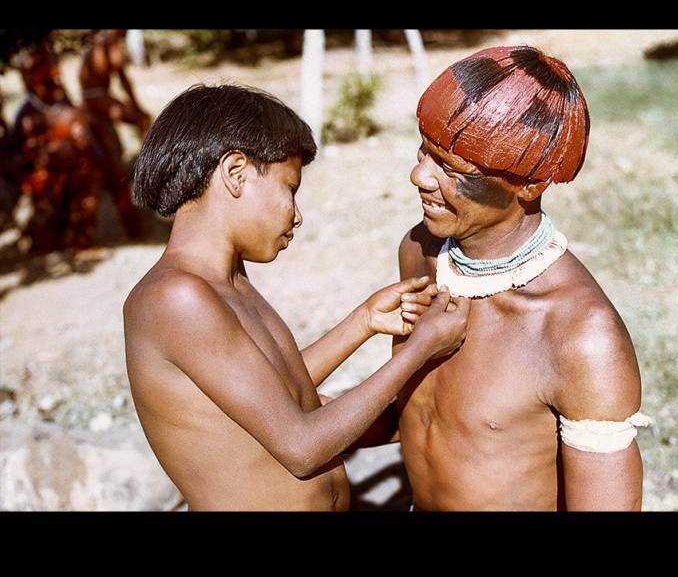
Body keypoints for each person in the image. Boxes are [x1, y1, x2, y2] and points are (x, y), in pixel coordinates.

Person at [123, 84, 470, 511]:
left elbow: (280, 392)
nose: (297, 214)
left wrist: (363, 323)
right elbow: (302, 448)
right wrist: (416, 352)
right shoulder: (175, 298)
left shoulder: (229, 282)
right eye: (290, 188)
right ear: (235, 173)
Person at [376, 45, 649, 511]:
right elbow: (427, 416)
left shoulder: (581, 337)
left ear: (530, 183)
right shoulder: (420, 252)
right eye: (424, 150)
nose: (418, 175)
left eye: (452, 169)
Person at [13, 45, 104, 251]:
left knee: (90, 186)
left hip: (75, 179)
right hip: (44, 188)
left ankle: (81, 238)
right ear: (33, 82)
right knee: (44, 244)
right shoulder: (26, 116)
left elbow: (91, 150)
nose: (55, 83)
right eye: (47, 79)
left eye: (56, 77)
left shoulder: (68, 109)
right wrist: (28, 179)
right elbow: (14, 158)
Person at [79, 29, 149, 239]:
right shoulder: (107, 42)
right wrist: (136, 108)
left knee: (113, 160)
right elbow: (123, 78)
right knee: (143, 120)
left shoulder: (97, 41)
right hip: (97, 99)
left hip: (92, 99)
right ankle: (152, 165)